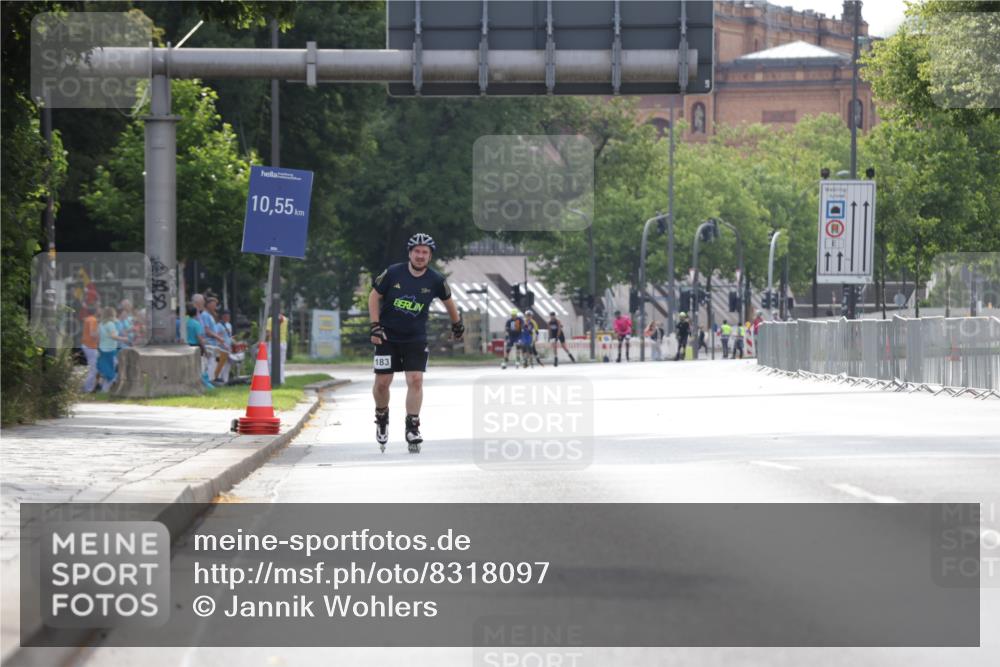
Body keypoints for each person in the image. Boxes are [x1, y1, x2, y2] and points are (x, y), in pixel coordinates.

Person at [369, 233, 463, 453]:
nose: (420, 256)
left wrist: (457, 324)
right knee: (383, 382)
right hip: (387, 336)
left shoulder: (436, 279)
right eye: (417, 252)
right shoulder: (393, 273)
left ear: (430, 256)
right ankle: (382, 416)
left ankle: (412, 426)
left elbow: (449, 302)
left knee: (416, 380)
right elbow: (374, 297)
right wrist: (375, 326)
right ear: (410, 253)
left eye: (425, 253)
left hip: (415, 337)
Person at [97, 306, 127, 392]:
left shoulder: (101, 324)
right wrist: (124, 339)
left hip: (103, 350)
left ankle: (102, 382)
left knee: (110, 372)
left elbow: (98, 336)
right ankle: (103, 394)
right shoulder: (110, 324)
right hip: (110, 351)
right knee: (112, 374)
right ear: (112, 314)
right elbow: (113, 336)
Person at [264, 311, 289, 383]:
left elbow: (269, 333)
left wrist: (266, 342)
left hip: (273, 342)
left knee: (270, 360)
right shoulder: (286, 319)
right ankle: (281, 380)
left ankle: (270, 379)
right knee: (281, 362)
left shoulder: (270, 320)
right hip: (283, 342)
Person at [80, 306, 100, 393]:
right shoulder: (93, 320)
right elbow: (92, 333)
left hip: (86, 344)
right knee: (94, 368)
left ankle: (88, 387)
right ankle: (87, 388)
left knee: (93, 367)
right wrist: (99, 334)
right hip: (90, 346)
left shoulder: (87, 319)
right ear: (95, 311)